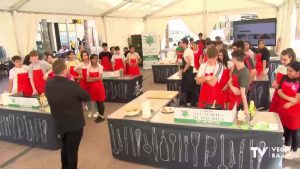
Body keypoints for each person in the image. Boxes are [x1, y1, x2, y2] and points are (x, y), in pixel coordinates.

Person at [45, 59, 90, 169]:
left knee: (65, 147)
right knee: (72, 151)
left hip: (59, 122)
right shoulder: (71, 85)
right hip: (74, 123)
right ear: (65, 70)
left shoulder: (48, 83)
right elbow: (86, 97)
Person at [277, 61, 300, 159]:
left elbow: (298, 98)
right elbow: (279, 91)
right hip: (284, 106)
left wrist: (291, 103)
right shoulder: (284, 77)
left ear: (299, 73)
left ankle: (295, 150)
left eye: (291, 71)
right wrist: (290, 99)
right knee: (286, 126)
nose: (288, 72)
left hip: (295, 109)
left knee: (294, 129)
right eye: (288, 70)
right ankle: (287, 145)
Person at [270, 48, 296, 113]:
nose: (282, 62)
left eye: (285, 60)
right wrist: (274, 84)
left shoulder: (294, 70)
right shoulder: (280, 67)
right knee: (274, 111)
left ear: (290, 58)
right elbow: (275, 80)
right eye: (281, 59)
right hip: (277, 93)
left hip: (287, 95)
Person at [228, 50, 250, 114]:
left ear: (235, 59)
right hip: (232, 97)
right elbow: (230, 80)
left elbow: (243, 93)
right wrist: (231, 87)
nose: (231, 60)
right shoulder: (235, 67)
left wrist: (246, 109)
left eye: (232, 58)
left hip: (239, 100)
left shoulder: (244, 72)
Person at [87, 54, 106, 123]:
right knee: (97, 102)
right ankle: (100, 115)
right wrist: (95, 79)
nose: (96, 60)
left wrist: (91, 78)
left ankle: (102, 116)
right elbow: (87, 80)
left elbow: (99, 78)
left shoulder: (100, 67)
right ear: (91, 59)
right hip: (93, 87)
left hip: (99, 86)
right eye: (94, 58)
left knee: (100, 102)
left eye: (97, 58)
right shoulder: (88, 68)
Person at [181, 38, 197, 107]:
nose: (180, 44)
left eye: (181, 42)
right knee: (191, 87)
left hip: (189, 71)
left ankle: (189, 103)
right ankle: (191, 102)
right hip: (191, 71)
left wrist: (184, 70)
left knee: (188, 87)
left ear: (185, 43)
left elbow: (189, 62)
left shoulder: (187, 51)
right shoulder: (188, 50)